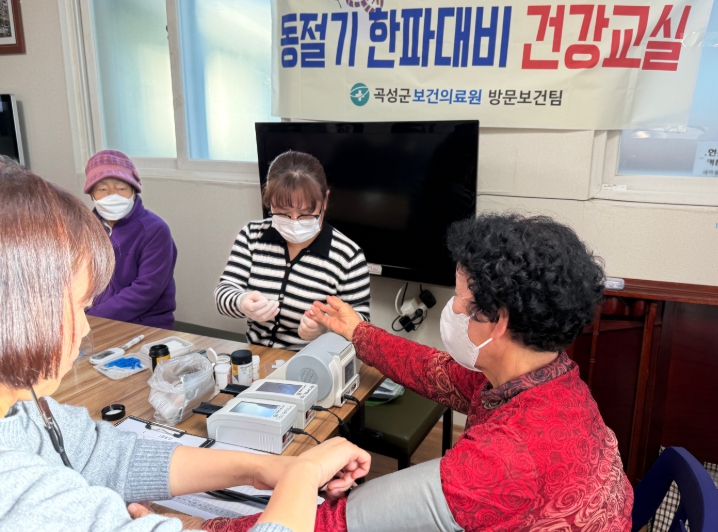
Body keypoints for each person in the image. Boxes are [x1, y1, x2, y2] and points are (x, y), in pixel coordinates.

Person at [0, 163, 370, 532]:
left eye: (304, 213)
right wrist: (303, 474)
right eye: (80, 306)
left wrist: (262, 467)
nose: (85, 328)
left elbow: (108, 456)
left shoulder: (26, 413)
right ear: (18, 308)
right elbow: (225, 292)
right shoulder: (21, 495)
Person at [206, 213, 633, 532]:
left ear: (497, 321)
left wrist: (197, 526)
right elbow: (434, 372)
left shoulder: (502, 460)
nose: (454, 310)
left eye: (460, 298)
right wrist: (357, 332)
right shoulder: (552, 380)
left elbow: (339, 523)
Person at [215, 151, 370, 350]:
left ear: (324, 202)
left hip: (313, 360)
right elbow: (224, 292)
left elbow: (361, 328)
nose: (294, 222)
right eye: (283, 213)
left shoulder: (348, 256)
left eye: (305, 214)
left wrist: (324, 330)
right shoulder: (252, 236)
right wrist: (241, 301)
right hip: (256, 357)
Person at [84, 149, 178, 329]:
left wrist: (92, 318)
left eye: (121, 189)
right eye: (102, 189)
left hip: (145, 324)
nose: (112, 195)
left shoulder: (155, 230)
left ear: (134, 191)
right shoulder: (84, 229)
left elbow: (146, 290)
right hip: (92, 321)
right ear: (92, 195)